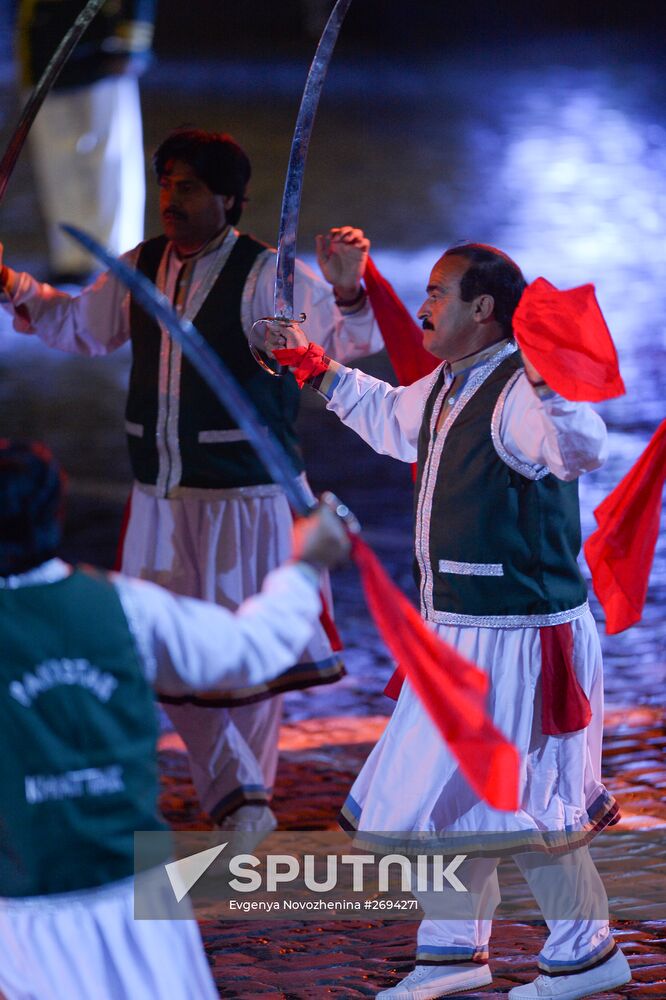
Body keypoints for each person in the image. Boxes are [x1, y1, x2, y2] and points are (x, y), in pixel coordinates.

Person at [266, 244, 632, 1000]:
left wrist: (552, 384)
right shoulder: (446, 386)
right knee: (439, 798)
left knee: (531, 801)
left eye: (437, 293)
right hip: (457, 635)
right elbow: (384, 414)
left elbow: (580, 448)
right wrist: (308, 362)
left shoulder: (522, 393)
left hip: (524, 636)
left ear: (482, 309)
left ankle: (588, 952)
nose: (423, 306)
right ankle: (451, 953)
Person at [0, 126, 382, 833]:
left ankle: (244, 796)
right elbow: (78, 325)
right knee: (159, 647)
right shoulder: (141, 266)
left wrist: (348, 286)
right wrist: (11, 284)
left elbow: (351, 340)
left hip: (246, 499)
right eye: (167, 183)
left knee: (248, 659)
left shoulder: (269, 275)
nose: (171, 200)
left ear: (229, 200)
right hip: (160, 498)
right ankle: (240, 794)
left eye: (190, 187)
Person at [0, 438, 350, 1000]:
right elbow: (249, 649)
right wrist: (305, 567)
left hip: (21, 912)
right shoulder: (124, 605)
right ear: (53, 512)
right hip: (134, 896)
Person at [16, 0, 157, 284]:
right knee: (56, 165)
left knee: (109, 162)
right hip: (44, 47)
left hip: (100, 45)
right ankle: (70, 261)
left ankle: (115, 259)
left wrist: (133, 40)